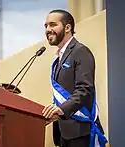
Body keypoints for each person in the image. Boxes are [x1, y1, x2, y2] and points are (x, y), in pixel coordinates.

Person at [41, 9, 108, 147]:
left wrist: (62, 109)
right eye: (46, 26)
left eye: (53, 25)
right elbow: (64, 93)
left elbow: (84, 90)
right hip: (63, 134)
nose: (48, 29)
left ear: (67, 27)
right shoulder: (58, 59)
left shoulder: (80, 52)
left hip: (80, 132)